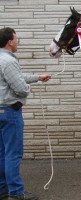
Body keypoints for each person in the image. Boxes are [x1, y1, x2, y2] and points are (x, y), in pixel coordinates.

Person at [0, 27, 51, 200]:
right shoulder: (8, 60)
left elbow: (16, 77)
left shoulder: (2, 59)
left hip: (1, 112)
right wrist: (29, 88)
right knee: (13, 153)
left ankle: (3, 190)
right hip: (9, 113)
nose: (18, 42)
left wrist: (37, 77)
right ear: (9, 41)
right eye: (17, 39)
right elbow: (20, 88)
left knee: (2, 153)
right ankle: (16, 192)